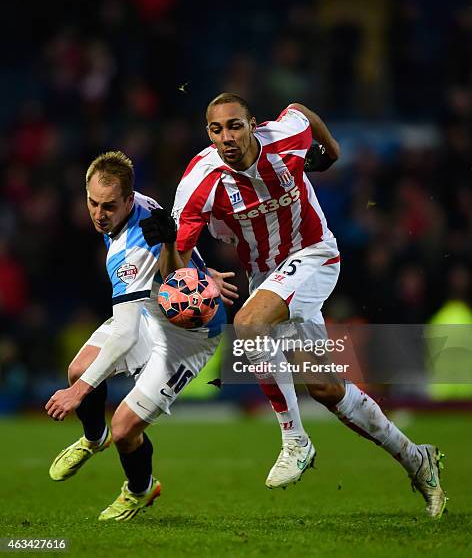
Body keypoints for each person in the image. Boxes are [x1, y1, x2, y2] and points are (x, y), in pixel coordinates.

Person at [139, 93, 447, 519]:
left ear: (253, 124)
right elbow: (176, 273)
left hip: (315, 254)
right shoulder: (198, 182)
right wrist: (168, 242)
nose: (226, 136)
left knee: (247, 322)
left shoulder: (285, 137)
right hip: (268, 277)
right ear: (207, 133)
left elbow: (300, 110)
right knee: (325, 388)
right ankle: (418, 459)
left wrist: (333, 151)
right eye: (216, 129)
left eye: (235, 125)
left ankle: (294, 440)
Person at [45, 151, 237, 521]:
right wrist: (198, 269)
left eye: (109, 206)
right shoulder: (141, 207)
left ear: (129, 200)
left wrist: (78, 392)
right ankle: (93, 437)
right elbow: (171, 240)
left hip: (188, 336)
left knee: (124, 428)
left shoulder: (127, 252)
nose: (99, 214)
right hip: (154, 312)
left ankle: (140, 489)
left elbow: (124, 334)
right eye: (93, 203)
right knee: (78, 369)